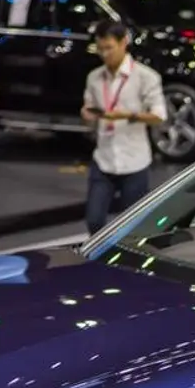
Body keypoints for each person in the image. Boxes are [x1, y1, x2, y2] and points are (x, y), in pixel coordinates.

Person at [81, 20, 166, 232]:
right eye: (100, 49)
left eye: (109, 48)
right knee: (94, 220)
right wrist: (87, 115)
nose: (104, 54)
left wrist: (127, 115)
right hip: (104, 158)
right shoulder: (94, 78)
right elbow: (89, 111)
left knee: (131, 227)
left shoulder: (146, 77)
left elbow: (159, 116)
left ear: (123, 42)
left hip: (134, 161)